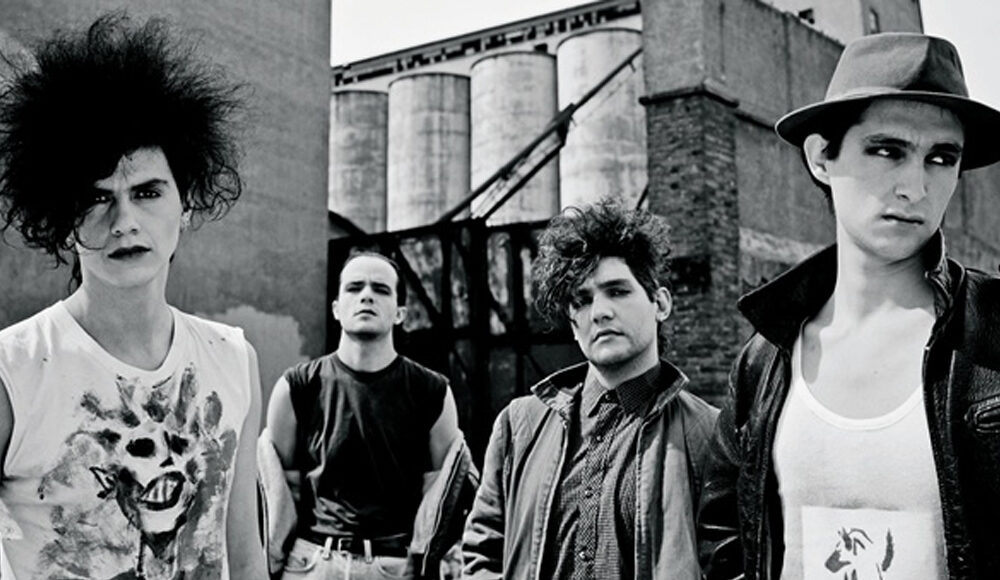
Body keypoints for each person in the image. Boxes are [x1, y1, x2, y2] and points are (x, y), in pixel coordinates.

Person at [697, 33, 1000, 580]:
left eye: (941, 158)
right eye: (887, 150)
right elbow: (724, 540)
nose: (915, 187)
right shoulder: (764, 361)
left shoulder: (993, 334)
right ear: (821, 157)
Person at [0, 13, 266, 580]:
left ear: (185, 206)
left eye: (147, 192)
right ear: (62, 221)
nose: (124, 221)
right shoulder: (12, 371)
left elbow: (246, 557)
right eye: (97, 198)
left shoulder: (233, 359)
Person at [462, 200, 719, 580]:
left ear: (661, 303)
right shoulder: (518, 425)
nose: (599, 312)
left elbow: (730, 564)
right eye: (582, 301)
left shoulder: (708, 434)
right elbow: (481, 555)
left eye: (617, 291)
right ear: (572, 323)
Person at [265, 250, 474, 579]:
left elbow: (440, 501)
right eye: (354, 287)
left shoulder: (433, 392)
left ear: (400, 313)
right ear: (336, 309)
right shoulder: (297, 387)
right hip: (311, 564)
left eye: (380, 289)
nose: (366, 296)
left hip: (394, 566)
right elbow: (277, 497)